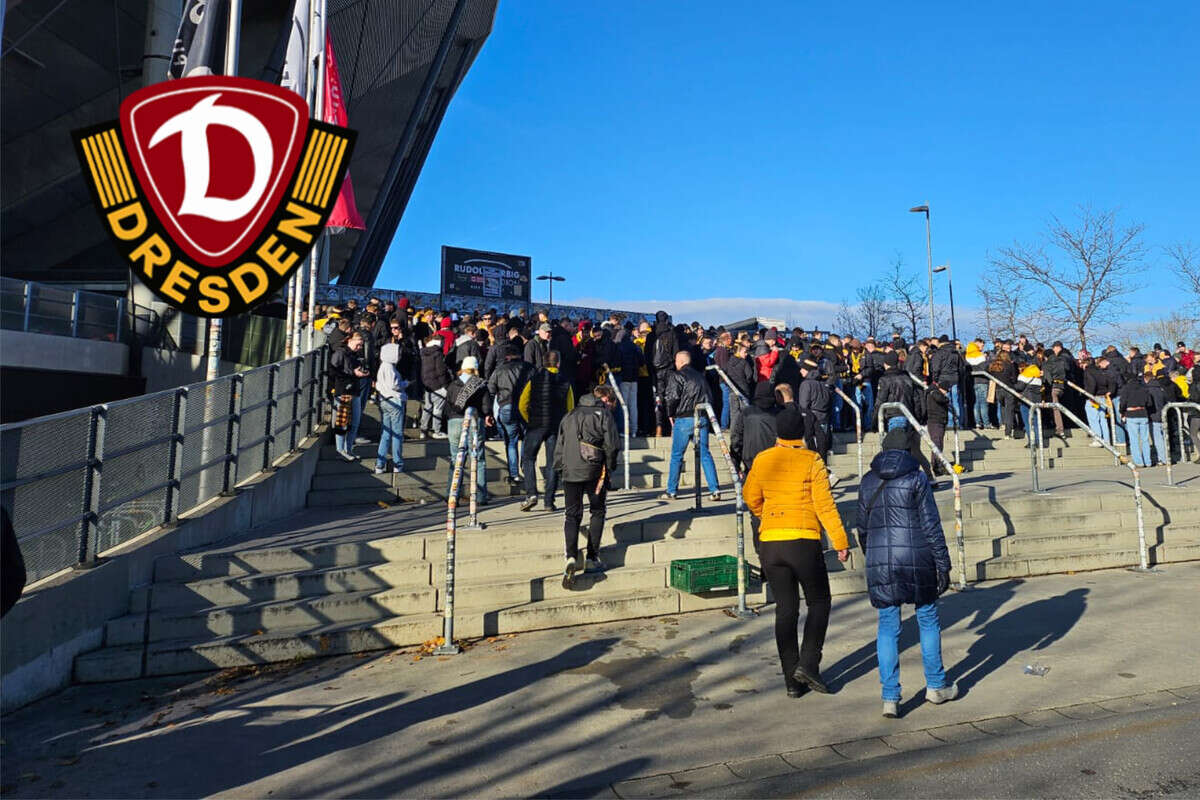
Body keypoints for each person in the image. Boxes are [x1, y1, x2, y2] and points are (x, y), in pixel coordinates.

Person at [744, 406, 850, 697]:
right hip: (803, 539)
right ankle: (809, 662)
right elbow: (824, 505)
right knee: (819, 602)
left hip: (771, 541)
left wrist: (765, 514)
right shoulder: (811, 460)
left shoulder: (763, 459)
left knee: (786, 609)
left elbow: (750, 496)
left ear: (777, 433)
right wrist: (841, 542)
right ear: (801, 434)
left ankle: (792, 681)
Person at [857, 428, 958, 718]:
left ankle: (890, 697)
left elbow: (862, 527)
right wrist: (943, 563)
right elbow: (931, 524)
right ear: (909, 451)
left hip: (881, 558)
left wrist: (872, 554)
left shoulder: (867, 481)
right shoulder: (916, 477)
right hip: (918, 555)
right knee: (927, 618)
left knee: (887, 626)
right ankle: (936, 686)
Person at [554, 385, 622, 587]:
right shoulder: (604, 414)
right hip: (595, 471)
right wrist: (610, 467)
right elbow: (612, 445)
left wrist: (560, 469)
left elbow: (560, 446)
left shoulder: (569, 415)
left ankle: (570, 556)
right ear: (604, 399)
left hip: (570, 471)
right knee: (597, 510)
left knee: (572, 514)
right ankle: (592, 557)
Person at [518, 349, 575, 512]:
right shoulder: (565, 381)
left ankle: (531, 494)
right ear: (558, 363)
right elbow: (570, 407)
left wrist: (529, 419)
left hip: (536, 424)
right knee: (553, 463)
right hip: (556, 426)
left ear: (543, 362)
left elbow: (523, 403)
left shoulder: (534, 379)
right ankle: (549, 501)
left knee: (528, 458)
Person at [660, 351, 721, 501]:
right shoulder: (701, 376)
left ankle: (672, 490)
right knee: (705, 454)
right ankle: (715, 489)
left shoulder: (677, 376)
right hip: (702, 417)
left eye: (676, 361)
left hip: (684, 418)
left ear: (680, 361)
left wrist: (670, 414)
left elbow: (672, 397)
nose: (675, 363)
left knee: (677, 456)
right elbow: (710, 397)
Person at [445, 356, 492, 505]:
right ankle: (479, 496)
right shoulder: (480, 384)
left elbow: (447, 406)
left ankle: (453, 495)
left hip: (454, 421)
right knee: (478, 459)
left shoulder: (453, 385)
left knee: (455, 459)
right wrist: (487, 415)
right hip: (473, 420)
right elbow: (485, 407)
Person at [487, 344, 533, 487]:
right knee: (526, 438)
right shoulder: (529, 368)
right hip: (527, 407)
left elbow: (490, 390)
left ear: (506, 357)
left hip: (506, 406)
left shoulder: (500, 370)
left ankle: (514, 474)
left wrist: (488, 412)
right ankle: (526, 467)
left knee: (511, 442)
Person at [329, 332, 370, 460]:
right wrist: (352, 372)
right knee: (342, 422)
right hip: (343, 390)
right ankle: (340, 450)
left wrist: (361, 372)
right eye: (358, 345)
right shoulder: (340, 352)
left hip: (354, 389)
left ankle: (348, 449)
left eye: (361, 346)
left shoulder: (354, 355)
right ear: (350, 340)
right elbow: (332, 370)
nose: (360, 348)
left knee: (355, 422)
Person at [375, 343, 408, 474]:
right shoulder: (390, 368)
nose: (399, 356)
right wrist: (406, 383)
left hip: (384, 400)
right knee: (397, 434)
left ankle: (380, 464)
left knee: (386, 434)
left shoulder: (382, 367)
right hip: (395, 400)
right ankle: (397, 463)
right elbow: (394, 385)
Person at [1118, 370, 1156, 467]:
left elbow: (1122, 403)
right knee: (1145, 440)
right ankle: (1148, 461)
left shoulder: (1126, 389)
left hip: (1131, 414)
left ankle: (1139, 461)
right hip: (1143, 413)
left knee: (1134, 439)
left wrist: (1122, 412)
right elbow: (1149, 403)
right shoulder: (1144, 388)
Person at [419, 332, 451, 439]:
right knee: (438, 408)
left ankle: (423, 429)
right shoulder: (438, 353)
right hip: (438, 385)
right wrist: (445, 386)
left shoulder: (424, 352)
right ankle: (436, 430)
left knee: (427, 407)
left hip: (427, 384)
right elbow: (441, 371)